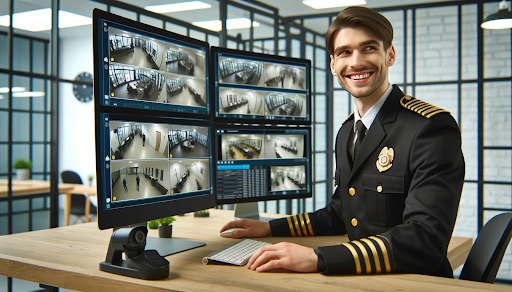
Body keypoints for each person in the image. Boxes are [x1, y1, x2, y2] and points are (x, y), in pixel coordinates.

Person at [220, 6, 465, 277]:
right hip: (360, 279)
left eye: (369, 48)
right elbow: (339, 214)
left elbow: (425, 240)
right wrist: (269, 228)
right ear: (333, 64)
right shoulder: (348, 131)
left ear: (390, 55)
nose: (356, 62)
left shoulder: (430, 127)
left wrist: (318, 257)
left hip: (415, 282)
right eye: (344, 52)